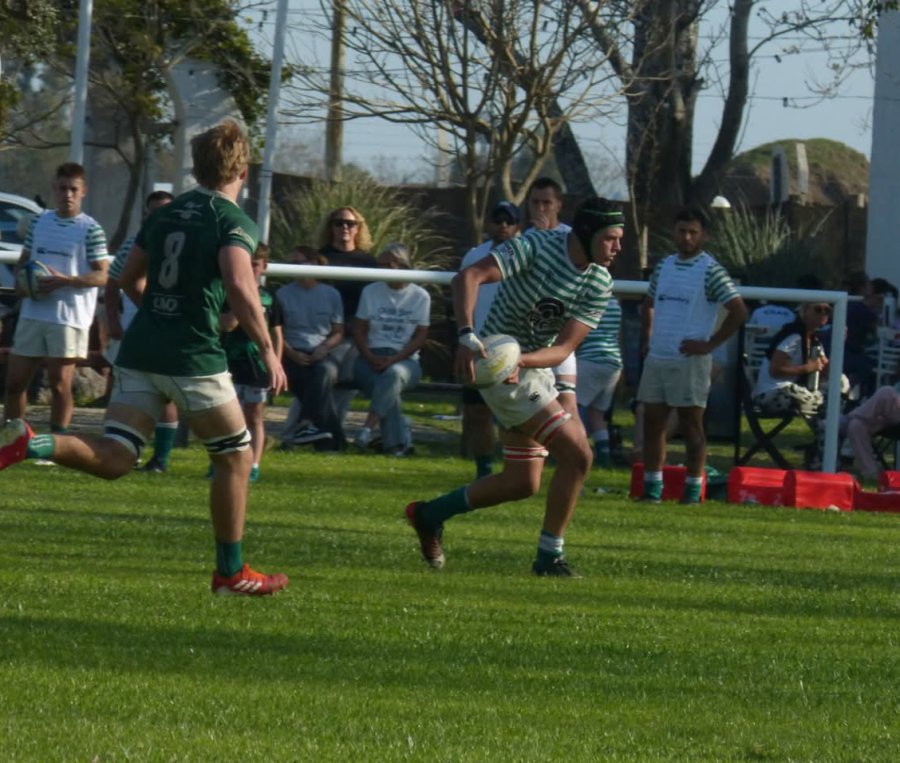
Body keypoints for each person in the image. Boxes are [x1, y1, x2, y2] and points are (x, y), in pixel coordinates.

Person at [0, 119, 289, 596]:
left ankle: (32, 442)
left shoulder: (165, 215)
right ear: (242, 168)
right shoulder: (233, 220)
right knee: (236, 458)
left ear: (197, 166)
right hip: (193, 357)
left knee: (117, 456)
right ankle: (230, 573)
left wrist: (162, 309)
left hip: (141, 350)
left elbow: (127, 279)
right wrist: (263, 347)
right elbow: (239, 284)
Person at [406, 196, 621, 577]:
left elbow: (565, 347)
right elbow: (468, 277)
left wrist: (522, 360)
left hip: (527, 366)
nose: (618, 248)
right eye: (610, 239)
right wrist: (466, 335)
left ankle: (429, 514)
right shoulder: (537, 245)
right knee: (579, 456)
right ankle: (549, 556)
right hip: (498, 364)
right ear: (586, 234)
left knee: (522, 482)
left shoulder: (599, 281)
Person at [638, 207, 747, 504]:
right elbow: (647, 302)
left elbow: (739, 311)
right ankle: (652, 489)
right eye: (682, 231)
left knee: (691, 425)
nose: (686, 237)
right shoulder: (664, 266)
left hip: (689, 360)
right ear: (673, 232)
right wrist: (647, 337)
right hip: (659, 356)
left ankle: (692, 490)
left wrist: (709, 344)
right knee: (653, 423)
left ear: (703, 235)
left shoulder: (710, 270)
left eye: (693, 232)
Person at [4, 162, 109, 433]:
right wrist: (21, 283)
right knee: (15, 382)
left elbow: (102, 275)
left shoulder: (91, 229)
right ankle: (13, 438)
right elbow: (25, 261)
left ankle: (54, 445)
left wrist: (67, 281)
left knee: (60, 384)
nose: (68, 194)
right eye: (62, 188)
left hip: (68, 318)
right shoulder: (39, 221)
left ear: (83, 191)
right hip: (33, 313)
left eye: (73, 189)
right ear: (54, 189)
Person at [280, 207, 374, 442]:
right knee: (321, 377)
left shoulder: (368, 262)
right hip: (321, 333)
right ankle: (327, 436)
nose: (344, 227)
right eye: (338, 222)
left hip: (350, 335)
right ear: (330, 227)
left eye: (350, 223)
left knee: (330, 377)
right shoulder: (319, 259)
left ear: (358, 228)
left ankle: (308, 431)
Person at [105, 190, 179, 474]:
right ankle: (125, 450)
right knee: (124, 388)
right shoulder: (133, 245)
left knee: (166, 392)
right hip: (135, 329)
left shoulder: (182, 247)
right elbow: (114, 284)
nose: (158, 216)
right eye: (153, 212)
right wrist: (112, 321)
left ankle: (160, 459)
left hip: (167, 328)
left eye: (164, 211)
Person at [459, 200, 521, 478]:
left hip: (513, 348)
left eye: (509, 221)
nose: (503, 226)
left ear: (518, 225)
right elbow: (463, 298)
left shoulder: (527, 254)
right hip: (478, 345)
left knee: (514, 416)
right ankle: (484, 472)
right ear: (489, 224)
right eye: (498, 220)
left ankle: (515, 471)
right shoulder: (474, 256)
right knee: (476, 412)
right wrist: (463, 336)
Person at [352, 243, 430, 456]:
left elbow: (420, 336)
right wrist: (369, 355)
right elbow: (359, 329)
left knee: (393, 375)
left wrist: (395, 358)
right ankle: (396, 445)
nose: (383, 269)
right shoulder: (371, 291)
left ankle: (367, 428)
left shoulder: (421, 296)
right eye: (381, 265)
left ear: (403, 265)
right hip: (370, 357)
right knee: (389, 388)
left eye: (389, 265)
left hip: (406, 360)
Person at [219, 243, 283, 480]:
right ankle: (224, 460)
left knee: (255, 415)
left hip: (258, 364)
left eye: (255, 264)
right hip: (231, 362)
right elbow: (226, 324)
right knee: (229, 416)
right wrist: (242, 305)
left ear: (263, 267)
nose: (251, 269)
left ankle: (254, 464)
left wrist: (276, 363)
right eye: (246, 263)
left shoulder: (270, 297)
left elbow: (276, 333)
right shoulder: (228, 292)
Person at [523, 177, 580, 424]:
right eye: (535, 202)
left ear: (559, 205)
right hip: (531, 333)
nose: (541, 208)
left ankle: (580, 455)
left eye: (547, 202)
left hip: (560, 332)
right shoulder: (525, 238)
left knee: (567, 400)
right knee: (532, 402)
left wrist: (545, 236)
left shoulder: (571, 238)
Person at [277, 246, 346, 449]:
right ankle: (332, 441)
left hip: (321, 351)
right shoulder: (282, 294)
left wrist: (324, 348)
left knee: (325, 372)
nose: (295, 268)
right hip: (291, 351)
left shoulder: (331, 294)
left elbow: (338, 331)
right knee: (312, 384)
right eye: (292, 264)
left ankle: (306, 424)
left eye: (299, 263)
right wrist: (290, 352)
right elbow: (276, 331)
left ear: (314, 264)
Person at [753, 301, 833, 469]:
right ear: (804, 312)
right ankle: (821, 460)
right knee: (821, 410)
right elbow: (776, 369)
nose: (823, 314)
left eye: (827, 310)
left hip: (791, 393)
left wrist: (835, 347)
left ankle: (820, 455)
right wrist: (807, 368)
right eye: (818, 309)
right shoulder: (794, 336)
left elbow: (827, 372)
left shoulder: (814, 339)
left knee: (832, 403)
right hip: (771, 394)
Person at [575, 293, 622, 468]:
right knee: (597, 413)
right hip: (613, 361)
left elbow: (579, 333)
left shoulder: (587, 300)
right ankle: (604, 457)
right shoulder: (615, 302)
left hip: (591, 359)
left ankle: (577, 450)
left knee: (572, 408)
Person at [840, 385, 900, 483]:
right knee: (856, 426)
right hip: (891, 416)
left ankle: (847, 418)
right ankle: (871, 473)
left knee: (886, 392)